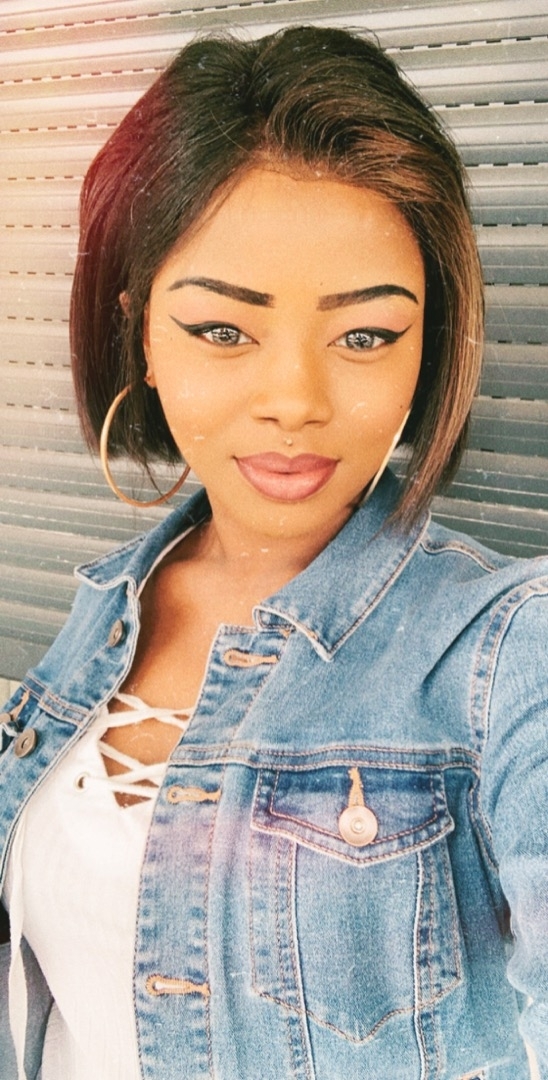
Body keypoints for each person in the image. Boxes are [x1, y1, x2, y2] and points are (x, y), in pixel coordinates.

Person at [0, 23, 546, 1080]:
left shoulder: (504, 654)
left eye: (364, 335)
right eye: (222, 330)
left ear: (428, 342)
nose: (294, 401)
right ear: (140, 332)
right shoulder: (108, 604)